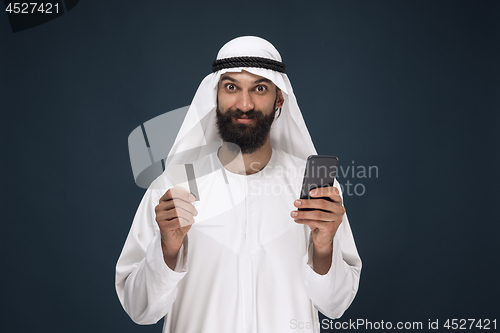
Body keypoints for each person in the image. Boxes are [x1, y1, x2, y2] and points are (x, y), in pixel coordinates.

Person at [116, 36, 362, 333]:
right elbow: (139, 309)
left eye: (259, 88)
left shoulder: (315, 193)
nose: (244, 104)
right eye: (231, 87)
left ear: (279, 98)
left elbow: (334, 307)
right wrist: (167, 248)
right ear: (215, 95)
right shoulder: (173, 186)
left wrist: (323, 247)